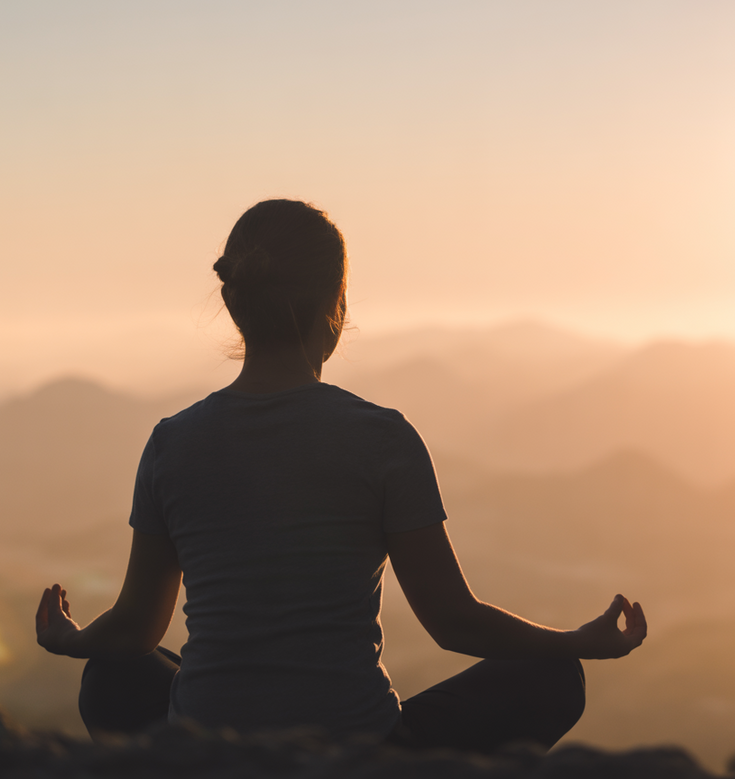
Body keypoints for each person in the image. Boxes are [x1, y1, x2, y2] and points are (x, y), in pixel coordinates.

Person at [35, 199, 646, 753]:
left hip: (209, 747)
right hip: (357, 752)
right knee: (552, 673)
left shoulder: (172, 442)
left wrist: (69, 639)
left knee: (111, 671)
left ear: (232, 302)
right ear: (339, 307)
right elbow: (454, 621)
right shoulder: (382, 438)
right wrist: (577, 641)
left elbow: (138, 629)